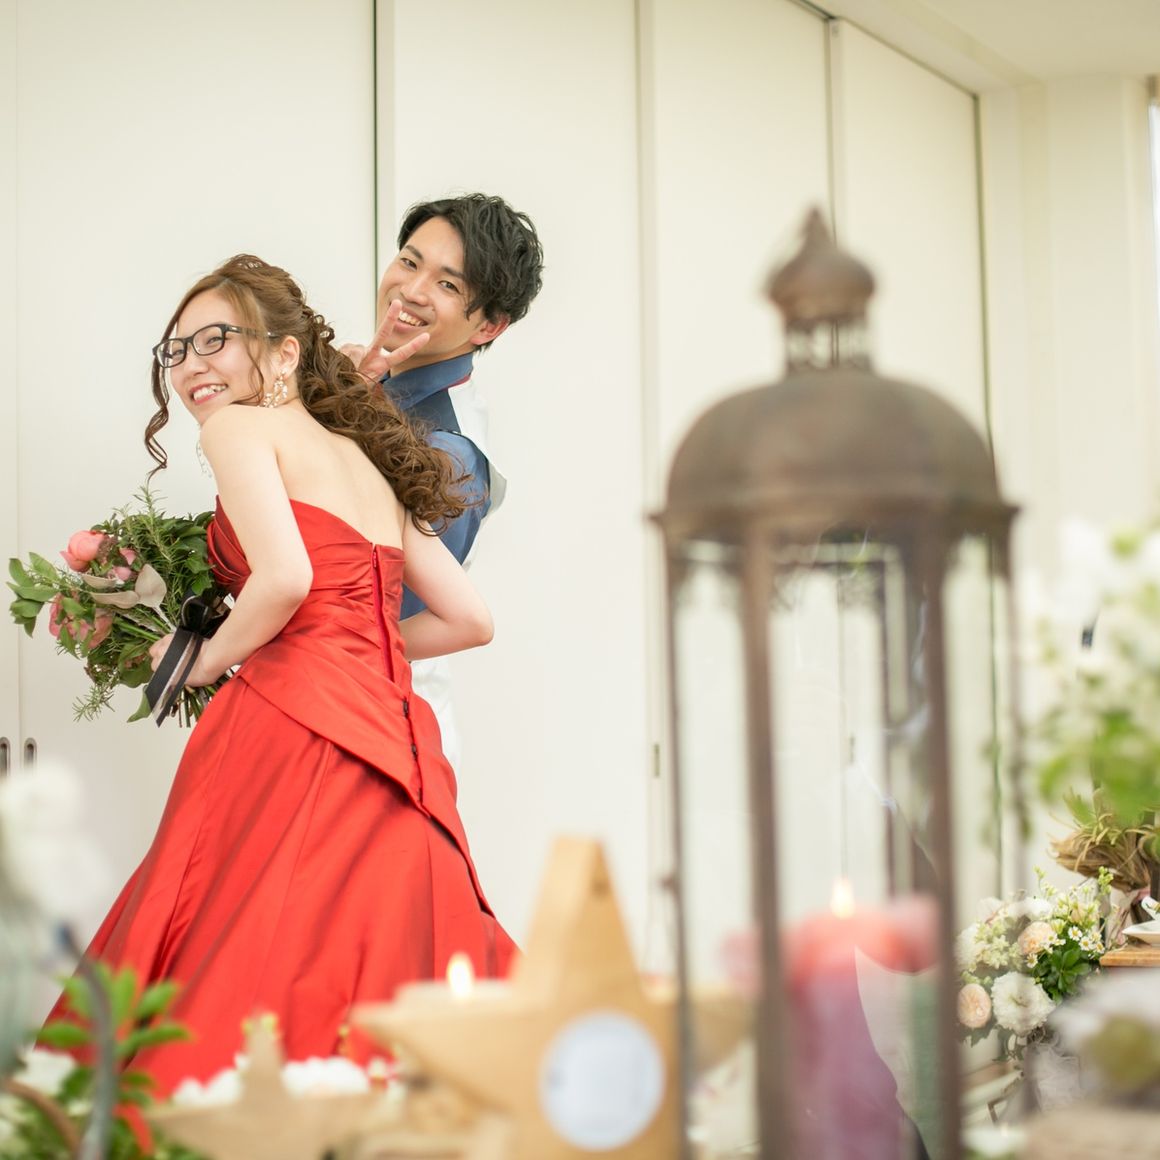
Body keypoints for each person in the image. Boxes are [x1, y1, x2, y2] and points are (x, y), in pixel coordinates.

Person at [52, 254, 515, 1095]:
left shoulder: (236, 430)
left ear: (285, 352)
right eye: (176, 349)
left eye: (215, 340)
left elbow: (287, 580)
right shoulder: (367, 458)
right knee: (364, 954)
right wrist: (355, 646)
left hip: (288, 725)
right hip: (393, 734)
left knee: (238, 949)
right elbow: (469, 621)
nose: (191, 366)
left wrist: (195, 660)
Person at [343, 194, 543, 770]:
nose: (411, 290)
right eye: (409, 261)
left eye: (448, 285)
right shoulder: (362, 380)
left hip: (380, 732)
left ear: (490, 325)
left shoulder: (448, 454)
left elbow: (381, 618)